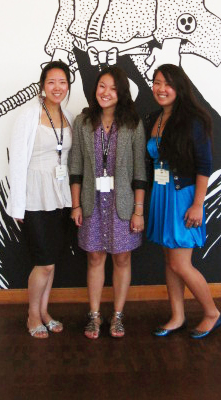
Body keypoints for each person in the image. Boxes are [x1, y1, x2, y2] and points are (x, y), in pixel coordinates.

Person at [146, 64, 221, 339]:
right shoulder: (154, 118)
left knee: (180, 263)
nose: (161, 89)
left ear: (179, 88)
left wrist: (198, 204)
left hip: (183, 197)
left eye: (167, 84)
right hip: (161, 195)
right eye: (157, 82)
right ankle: (177, 316)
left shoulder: (193, 120)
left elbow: (204, 165)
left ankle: (212, 313)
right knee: (170, 261)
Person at [69, 66, 147, 338]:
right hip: (91, 200)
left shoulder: (133, 124)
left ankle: (117, 316)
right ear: (95, 89)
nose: (106, 92)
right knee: (94, 257)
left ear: (121, 93)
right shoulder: (82, 122)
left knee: (122, 258)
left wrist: (139, 211)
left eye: (113, 88)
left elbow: (139, 172)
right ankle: (94, 316)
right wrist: (76, 205)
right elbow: (75, 166)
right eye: (102, 86)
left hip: (122, 203)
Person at [6, 61, 74, 338]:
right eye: (51, 82)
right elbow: (17, 160)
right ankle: (33, 315)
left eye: (62, 82)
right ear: (43, 85)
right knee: (43, 262)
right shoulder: (28, 115)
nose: (57, 87)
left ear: (68, 86)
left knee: (52, 261)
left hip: (60, 196)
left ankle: (44, 311)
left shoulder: (68, 115)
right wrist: (17, 203)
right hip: (34, 196)